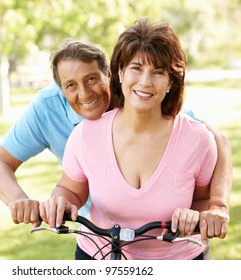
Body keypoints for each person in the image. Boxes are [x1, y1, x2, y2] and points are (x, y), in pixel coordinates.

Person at [0, 39, 231, 243]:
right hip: (98, 233)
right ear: (60, 89)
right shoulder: (49, 108)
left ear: (111, 74)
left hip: (162, 236)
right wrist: (19, 201)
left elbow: (217, 141)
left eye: (92, 79)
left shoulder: (141, 98)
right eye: (71, 85)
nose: (84, 93)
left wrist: (217, 206)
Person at [39, 18, 221, 260]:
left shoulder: (196, 139)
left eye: (157, 72)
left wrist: (198, 215)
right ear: (120, 72)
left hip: (179, 261)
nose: (145, 82)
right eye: (136, 68)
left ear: (170, 82)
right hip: (98, 256)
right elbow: (70, 190)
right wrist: (61, 203)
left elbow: (204, 199)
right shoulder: (86, 135)